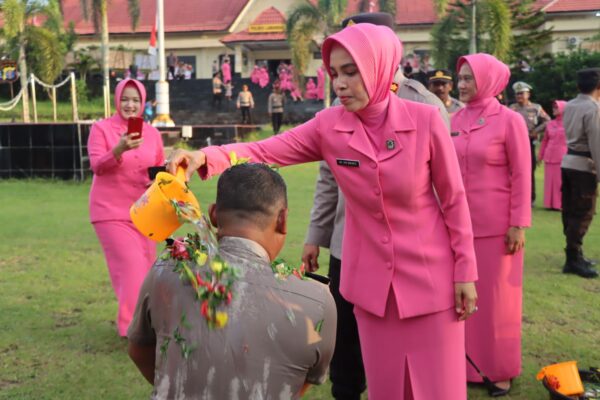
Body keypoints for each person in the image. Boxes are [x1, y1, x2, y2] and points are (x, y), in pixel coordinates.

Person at [167, 22, 478, 400]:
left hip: (434, 282)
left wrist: (465, 272)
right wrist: (204, 155)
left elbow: (454, 199)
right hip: (372, 291)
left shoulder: (426, 120)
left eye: (351, 72)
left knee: (438, 387)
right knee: (388, 387)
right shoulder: (329, 125)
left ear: (379, 68)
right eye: (334, 74)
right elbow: (265, 150)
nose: (340, 84)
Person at [301, 12, 452, 400]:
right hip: (348, 243)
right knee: (347, 345)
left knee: (419, 361)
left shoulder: (426, 106)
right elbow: (327, 177)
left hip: (414, 255)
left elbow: (446, 192)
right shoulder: (336, 113)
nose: (343, 79)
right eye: (338, 68)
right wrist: (315, 235)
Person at [128, 163, 337, 399]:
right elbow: (303, 379)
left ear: (214, 215)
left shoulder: (167, 270)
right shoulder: (317, 301)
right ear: (282, 220)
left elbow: (139, 350)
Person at [451, 54, 531, 396]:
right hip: (456, 227)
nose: (462, 84)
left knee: (499, 302)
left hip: (498, 229)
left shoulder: (510, 120)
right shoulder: (451, 119)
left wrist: (519, 223)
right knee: (461, 300)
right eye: (461, 78)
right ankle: (466, 365)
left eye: (470, 78)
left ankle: (500, 369)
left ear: (488, 80)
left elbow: (522, 173)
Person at [87, 78, 165, 337]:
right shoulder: (102, 129)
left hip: (143, 213)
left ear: (143, 103)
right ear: (117, 100)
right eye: (125, 99)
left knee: (147, 271)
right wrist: (118, 149)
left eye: (135, 100)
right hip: (110, 212)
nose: (130, 104)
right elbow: (97, 165)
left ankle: (148, 326)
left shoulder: (152, 133)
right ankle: (132, 330)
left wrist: (161, 176)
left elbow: (156, 170)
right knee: (131, 269)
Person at [560, 68, 600, 279]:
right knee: (583, 213)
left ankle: (575, 254)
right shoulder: (593, 108)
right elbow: (597, 143)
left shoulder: (570, 105)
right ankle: (573, 258)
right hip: (584, 165)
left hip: (568, 162)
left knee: (569, 211)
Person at [509, 81, 551, 206]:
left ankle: (530, 198)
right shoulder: (512, 108)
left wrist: (536, 131)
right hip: (514, 142)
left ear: (528, 94)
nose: (519, 96)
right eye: (517, 94)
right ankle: (514, 196)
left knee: (529, 170)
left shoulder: (536, 108)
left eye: (522, 93)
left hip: (529, 141)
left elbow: (547, 121)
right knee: (513, 170)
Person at [539, 100, 568, 210]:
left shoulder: (568, 123)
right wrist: (540, 155)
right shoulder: (550, 123)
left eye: (556, 107)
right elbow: (545, 140)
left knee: (559, 182)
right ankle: (549, 204)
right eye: (553, 107)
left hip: (562, 156)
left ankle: (558, 204)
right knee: (549, 181)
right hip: (549, 156)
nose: (554, 109)